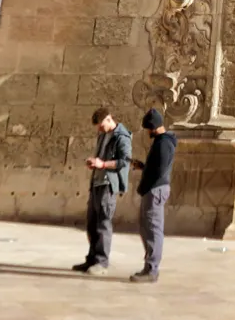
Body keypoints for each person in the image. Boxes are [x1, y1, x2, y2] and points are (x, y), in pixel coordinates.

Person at [74, 106, 132, 275]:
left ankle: (102, 262)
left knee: (103, 224)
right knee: (91, 224)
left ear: (109, 119)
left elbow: (124, 161)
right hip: (96, 184)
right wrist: (94, 163)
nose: (100, 129)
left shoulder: (122, 137)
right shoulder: (102, 136)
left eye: (101, 125)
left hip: (108, 186)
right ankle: (91, 259)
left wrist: (103, 165)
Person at [128, 109, 175, 283]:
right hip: (154, 188)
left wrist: (147, 176)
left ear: (153, 127)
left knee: (153, 228)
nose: (148, 132)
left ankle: (152, 269)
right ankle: (149, 265)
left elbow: (159, 170)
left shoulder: (163, 143)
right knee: (146, 226)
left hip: (155, 189)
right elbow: (156, 167)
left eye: (148, 128)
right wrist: (143, 167)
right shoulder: (161, 142)